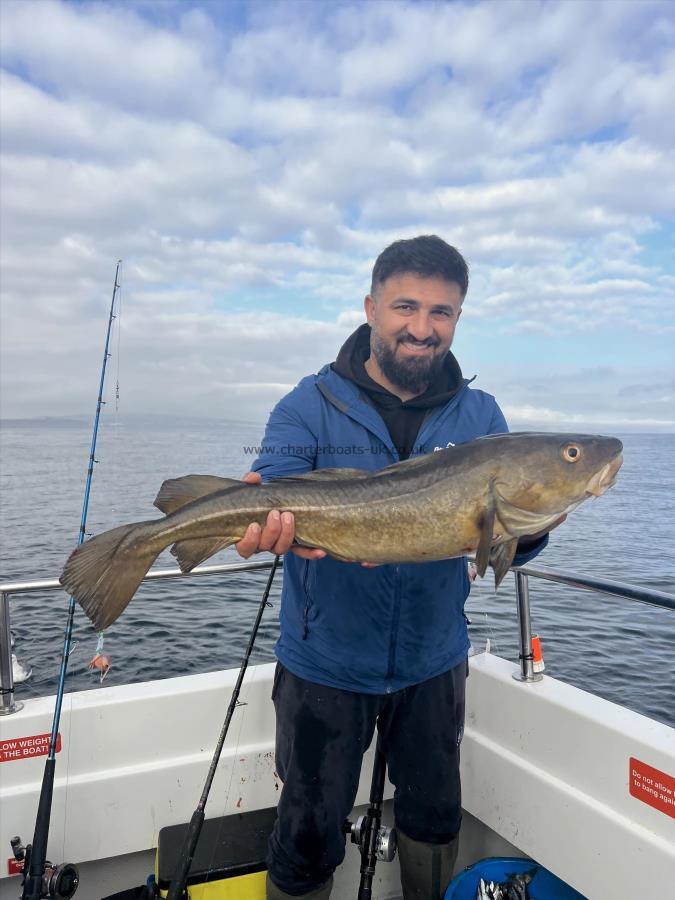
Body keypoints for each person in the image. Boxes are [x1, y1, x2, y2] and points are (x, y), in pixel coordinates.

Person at [235, 236, 557, 899]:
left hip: (432, 662)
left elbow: (500, 545)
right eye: (404, 307)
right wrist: (258, 525)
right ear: (370, 307)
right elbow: (274, 484)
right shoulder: (309, 404)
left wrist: (531, 527)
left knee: (434, 820)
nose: (421, 328)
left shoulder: (481, 419)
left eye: (440, 312)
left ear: (457, 319)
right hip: (324, 662)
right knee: (306, 835)